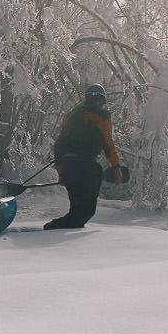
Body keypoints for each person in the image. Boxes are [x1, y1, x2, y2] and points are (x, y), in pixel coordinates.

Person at [45, 84, 126, 229]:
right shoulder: (101, 117)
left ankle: (57, 229)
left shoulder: (71, 116)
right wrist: (116, 166)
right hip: (88, 167)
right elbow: (108, 144)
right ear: (101, 100)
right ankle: (54, 229)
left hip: (69, 165)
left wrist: (62, 172)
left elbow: (59, 145)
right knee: (85, 211)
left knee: (77, 210)